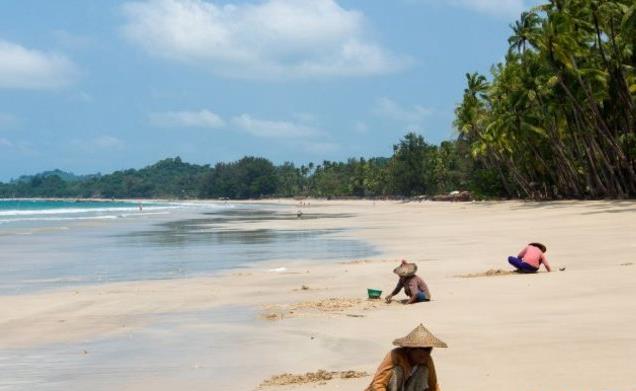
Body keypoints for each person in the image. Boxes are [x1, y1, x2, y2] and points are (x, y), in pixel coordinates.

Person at [366, 324, 446, 391]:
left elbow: (433, 384)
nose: (426, 353)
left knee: (423, 370)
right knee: (398, 371)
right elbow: (378, 384)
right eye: (423, 349)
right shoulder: (395, 355)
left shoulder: (427, 359)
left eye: (429, 349)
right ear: (410, 349)